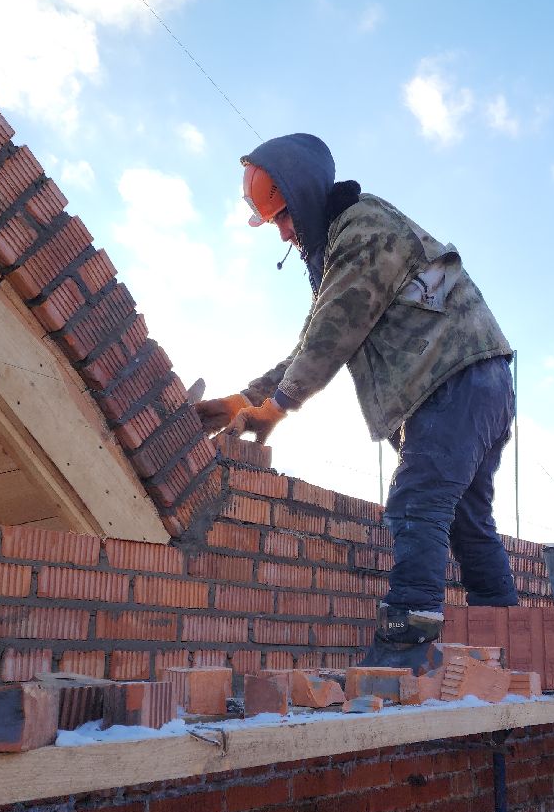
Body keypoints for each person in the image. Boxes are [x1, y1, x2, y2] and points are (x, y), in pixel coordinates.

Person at [196, 133, 517, 669]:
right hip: (476, 382)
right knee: (467, 522)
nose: (283, 233)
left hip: (451, 381)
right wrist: (242, 401)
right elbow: (312, 343)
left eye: (282, 217)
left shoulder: (362, 230)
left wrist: (276, 407)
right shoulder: (347, 247)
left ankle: (403, 652)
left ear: (303, 197)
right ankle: (508, 650)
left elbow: (330, 337)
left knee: (416, 504)